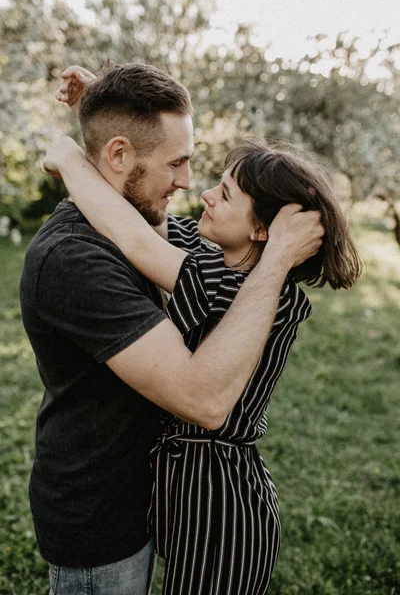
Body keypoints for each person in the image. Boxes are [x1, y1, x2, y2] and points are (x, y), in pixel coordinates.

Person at [20, 62, 324, 595]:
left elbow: (144, 233)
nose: (190, 183)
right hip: (102, 521)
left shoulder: (217, 269)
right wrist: (82, 146)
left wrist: (81, 147)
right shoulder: (73, 258)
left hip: (191, 504)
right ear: (118, 156)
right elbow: (141, 239)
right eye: (177, 162)